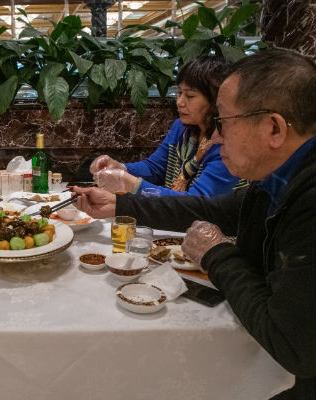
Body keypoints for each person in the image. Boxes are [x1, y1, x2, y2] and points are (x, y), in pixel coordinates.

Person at [74, 49, 315, 400]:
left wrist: (215, 254)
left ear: (274, 128)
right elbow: (213, 209)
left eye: (225, 122)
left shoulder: (309, 202)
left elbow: (294, 346)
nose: (215, 138)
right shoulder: (279, 177)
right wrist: (121, 205)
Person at [89, 56, 248, 196]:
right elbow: (155, 168)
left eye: (190, 96)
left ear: (215, 100)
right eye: (179, 93)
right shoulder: (182, 128)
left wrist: (131, 184)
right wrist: (119, 168)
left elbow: (197, 202)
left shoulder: (228, 144)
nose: (180, 102)